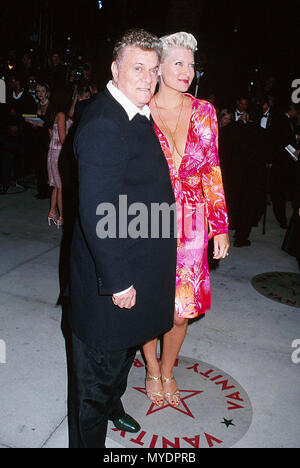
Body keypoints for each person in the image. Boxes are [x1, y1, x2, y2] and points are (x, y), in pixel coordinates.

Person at [68, 29, 177, 448]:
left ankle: (114, 404)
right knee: (93, 383)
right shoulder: (103, 124)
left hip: (139, 265)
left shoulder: (134, 111)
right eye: (138, 68)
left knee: (121, 359)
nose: (148, 78)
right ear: (115, 69)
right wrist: (117, 281)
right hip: (113, 281)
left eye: (153, 70)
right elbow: (98, 212)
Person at [145, 32, 229, 408]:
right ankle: (149, 367)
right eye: (178, 62)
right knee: (148, 304)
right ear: (158, 67)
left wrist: (221, 225)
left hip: (194, 224)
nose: (187, 71)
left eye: (191, 64)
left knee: (181, 312)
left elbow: (211, 170)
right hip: (146, 219)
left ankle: (167, 369)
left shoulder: (205, 112)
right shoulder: (141, 110)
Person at [270, 103, 300, 228]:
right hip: (281, 162)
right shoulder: (282, 121)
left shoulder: (288, 121)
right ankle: (282, 219)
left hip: (284, 161)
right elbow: (282, 142)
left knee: (283, 191)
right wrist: (294, 152)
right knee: (280, 192)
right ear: (292, 110)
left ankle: (283, 218)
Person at [47, 90, 73, 227]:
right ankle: (62, 216)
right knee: (61, 187)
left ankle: (52, 212)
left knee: (57, 186)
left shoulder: (52, 114)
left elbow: (52, 134)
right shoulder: (61, 115)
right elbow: (63, 139)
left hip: (52, 151)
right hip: (59, 153)